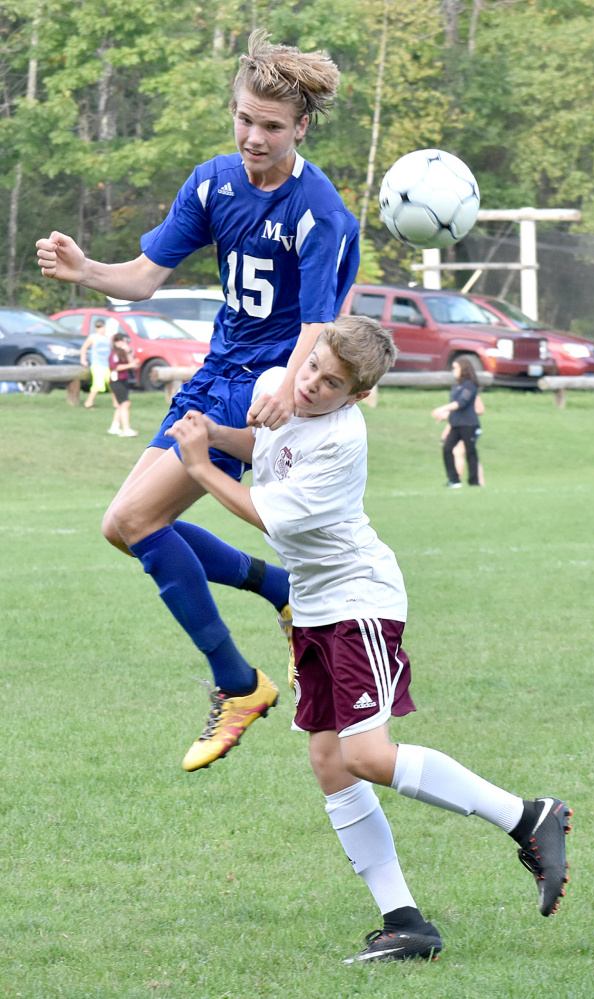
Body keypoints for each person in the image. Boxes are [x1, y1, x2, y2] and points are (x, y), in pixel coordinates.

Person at [166, 315, 572, 965]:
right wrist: (213, 432)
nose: (311, 387)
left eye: (330, 384)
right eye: (312, 368)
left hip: (359, 603)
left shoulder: (342, 440)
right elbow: (265, 448)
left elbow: (262, 511)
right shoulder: (280, 383)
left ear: (356, 396)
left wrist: (196, 463)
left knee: (367, 754)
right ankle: (405, 921)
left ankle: (528, 816)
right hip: (316, 610)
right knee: (330, 762)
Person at [36, 30, 360, 769]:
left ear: (301, 127)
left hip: (257, 390)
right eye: (245, 118)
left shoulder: (319, 210)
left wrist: (288, 389)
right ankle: (279, 589)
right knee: (127, 530)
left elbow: (319, 321)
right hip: (214, 371)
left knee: (128, 519)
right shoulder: (214, 180)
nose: (254, 136)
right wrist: (88, 270)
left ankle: (239, 683)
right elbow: (146, 277)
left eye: (272, 126)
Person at [432, 358, 481, 487]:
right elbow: (456, 407)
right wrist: (446, 415)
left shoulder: (470, 385)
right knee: (447, 449)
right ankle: (454, 479)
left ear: (463, 369)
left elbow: (461, 403)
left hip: (468, 424)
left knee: (470, 452)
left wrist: (442, 408)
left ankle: (474, 481)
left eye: (456, 368)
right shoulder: (457, 386)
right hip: (456, 424)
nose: (453, 371)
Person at [438, 391, 485, 485]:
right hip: (460, 426)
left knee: (459, 452)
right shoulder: (458, 399)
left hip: (470, 427)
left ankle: (456, 480)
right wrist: (446, 431)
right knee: (468, 454)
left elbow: (480, 410)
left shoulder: (470, 395)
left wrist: (466, 412)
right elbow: (455, 419)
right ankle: (479, 481)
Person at [108, 333, 140, 437]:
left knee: (121, 404)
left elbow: (132, 364)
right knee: (125, 404)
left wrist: (128, 353)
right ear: (117, 343)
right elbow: (115, 367)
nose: (125, 344)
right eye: (123, 342)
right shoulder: (114, 354)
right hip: (116, 380)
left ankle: (114, 427)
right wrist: (129, 365)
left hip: (124, 380)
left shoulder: (123, 353)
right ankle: (126, 429)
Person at [79, 318, 113, 410]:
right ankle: (88, 402)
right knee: (98, 383)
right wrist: (83, 359)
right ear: (96, 328)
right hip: (97, 364)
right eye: (99, 327)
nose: (101, 329)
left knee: (111, 383)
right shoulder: (93, 337)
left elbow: (112, 349)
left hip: (107, 364)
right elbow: (84, 348)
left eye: (102, 327)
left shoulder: (108, 338)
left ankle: (117, 403)